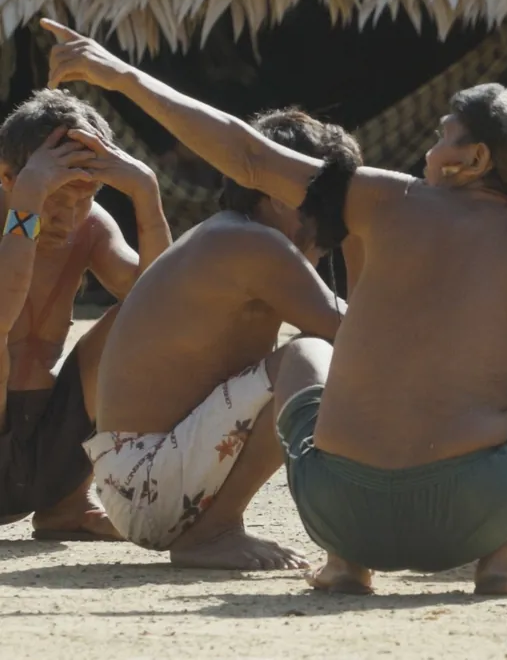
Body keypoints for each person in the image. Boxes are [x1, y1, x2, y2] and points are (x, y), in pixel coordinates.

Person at [41, 18, 507, 596]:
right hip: (465, 521)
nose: (429, 150)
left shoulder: (384, 199)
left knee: (311, 355)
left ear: (474, 160)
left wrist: (121, 76)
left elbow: (247, 154)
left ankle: (344, 564)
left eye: (442, 137)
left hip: (338, 513)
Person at [82, 110, 355, 569]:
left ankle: (217, 526)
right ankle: (214, 533)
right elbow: (357, 337)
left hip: (141, 481)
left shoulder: (237, 235)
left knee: (318, 360)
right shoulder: (251, 244)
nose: (335, 215)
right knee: (308, 356)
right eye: (326, 198)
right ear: (280, 192)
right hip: (147, 479)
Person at [0, 89, 170, 540]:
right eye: (58, 198)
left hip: (47, 448)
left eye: (85, 198)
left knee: (132, 322)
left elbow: (161, 311)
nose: (70, 217)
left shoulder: (91, 225)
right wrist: (29, 201)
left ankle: (67, 504)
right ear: (7, 177)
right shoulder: (19, 203)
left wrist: (146, 193)